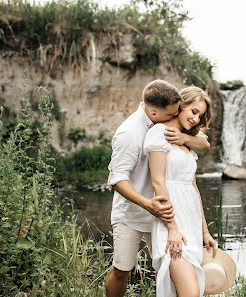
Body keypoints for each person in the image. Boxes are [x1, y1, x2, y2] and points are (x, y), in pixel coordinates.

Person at [106, 80, 210, 297]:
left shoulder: (172, 123)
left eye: (177, 111)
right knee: (122, 269)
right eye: (174, 112)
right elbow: (117, 179)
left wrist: (184, 137)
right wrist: (148, 205)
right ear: (154, 113)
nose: (175, 116)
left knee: (166, 272)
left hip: (166, 211)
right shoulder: (130, 132)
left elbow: (204, 144)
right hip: (136, 210)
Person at [144, 86, 217, 297]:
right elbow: (158, 183)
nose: (196, 119)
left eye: (201, 116)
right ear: (180, 105)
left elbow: (193, 188)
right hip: (173, 223)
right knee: (190, 292)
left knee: (186, 291)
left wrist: (205, 232)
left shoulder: (188, 142)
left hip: (192, 223)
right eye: (193, 111)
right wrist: (172, 228)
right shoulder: (159, 133)